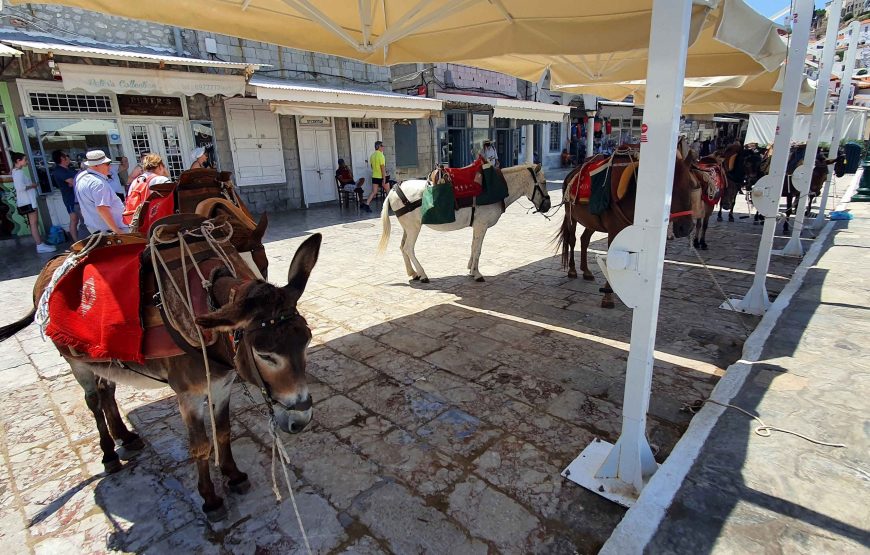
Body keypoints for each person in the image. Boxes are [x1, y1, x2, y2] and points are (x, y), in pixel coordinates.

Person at [75, 149, 128, 234]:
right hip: (110, 230)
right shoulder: (98, 183)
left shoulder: (81, 177)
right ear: (96, 165)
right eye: (107, 164)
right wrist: (117, 231)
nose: (110, 167)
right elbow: (102, 208)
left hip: (97, 228)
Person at [12, 152, 55, 253]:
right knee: (34, 223)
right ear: (18, 161)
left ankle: (39, 244)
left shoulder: (16, 172)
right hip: (29, 202)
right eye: (25, 159)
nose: (26, 162)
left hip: (27, 201)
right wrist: (33, 185)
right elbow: (20, 188)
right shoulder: (18, 172)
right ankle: (39, 245)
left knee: (33, 224)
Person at [123, 153, 172, 223]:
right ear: (160, 166)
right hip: (155, 221)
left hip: (137, 221)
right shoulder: (160, 179)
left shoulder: (136, 181)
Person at [51, 149, 81, 242]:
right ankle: (76, 242)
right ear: (62, 158)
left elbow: (76, 181)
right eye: (67, 156)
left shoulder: (70, 169)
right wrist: (73, 182)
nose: (69, 158)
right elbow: (73, 182)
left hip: (78, 197)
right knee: (74, 219)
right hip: (70, 198)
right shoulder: (59, 171)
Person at [362, 140, 388, 212]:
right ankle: (390, 205)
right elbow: (382, 168)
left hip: (374, 176)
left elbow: (372, 167)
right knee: (388, 191)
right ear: (378, 147)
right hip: (381, 176)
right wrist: (384, 178)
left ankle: (367, 204)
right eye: (382, 146)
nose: (383, 147)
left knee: (374, 192)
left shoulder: (372, 156)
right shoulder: (381, 155)